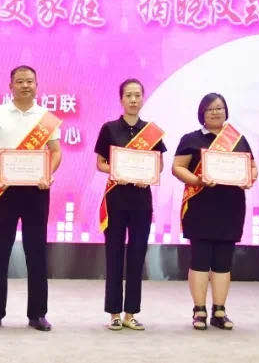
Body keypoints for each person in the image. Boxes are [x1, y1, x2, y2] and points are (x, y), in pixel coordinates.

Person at [0, 65, 62, 332]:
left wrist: (48, 173)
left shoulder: (46, 118)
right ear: (10, 85)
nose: (25, 85)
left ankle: (38, 314)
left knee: (36, 252)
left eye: (30, 81)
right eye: (20, 81)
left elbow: (56, 151)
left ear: (37, 85)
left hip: (37, 190)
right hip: (5, 190)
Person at [171, 93, 256, 330]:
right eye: (210, 109)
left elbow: (252, 167)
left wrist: (249, 177)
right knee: (200, 259)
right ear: (202, 113)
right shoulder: (191, 139)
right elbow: (177, 168)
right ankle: (199, 310)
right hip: (200, 205)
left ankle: (220, 310)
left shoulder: (238, 139)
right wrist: (197, 180)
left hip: (230, 206)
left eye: (219, 108)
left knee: (223, 262)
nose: (216, 112)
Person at [93, 78, 167, 331]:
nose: (133, 99)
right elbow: (100, 163)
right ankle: (114, 312)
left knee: (137, 256)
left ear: (142, 98)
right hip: (116, 198)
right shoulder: (109, 128)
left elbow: (159, 165)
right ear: (121, 99)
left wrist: (149, 176)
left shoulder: (152, 132)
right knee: (114, 254)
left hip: (141, 201)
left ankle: (130, 313)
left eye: (137, 95)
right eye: (128, 95)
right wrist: (116, 171)